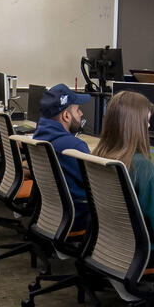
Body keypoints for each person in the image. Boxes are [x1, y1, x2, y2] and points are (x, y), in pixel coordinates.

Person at [92, 91, 154, 248]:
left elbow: (122, 204)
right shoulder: (140, 165)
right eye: (146, 121)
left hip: (109, 247)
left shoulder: (100, 156)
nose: (148, 126)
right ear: (135, 126)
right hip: (141, 252)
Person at [33, 84, 93, 227]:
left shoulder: (40, 136)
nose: (81, 114)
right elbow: (97, 187)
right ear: (66, 116)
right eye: (78, 110)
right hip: (79, 216)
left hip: (52, 214)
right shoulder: (74, 146)